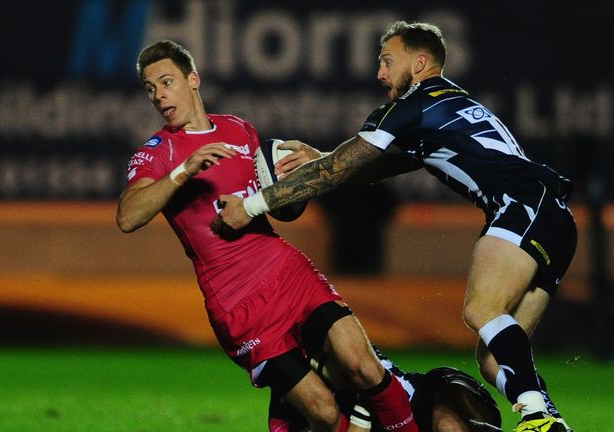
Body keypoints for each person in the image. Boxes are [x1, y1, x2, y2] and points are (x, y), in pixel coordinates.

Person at [214, 21, 577, 432]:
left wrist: (254, 204)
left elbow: (338, 169)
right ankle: (545, 415)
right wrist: (321, 155)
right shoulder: (447, 103)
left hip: (522, 202)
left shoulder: (413, 105)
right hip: (556, 217)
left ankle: (538, 417)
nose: (379, 73)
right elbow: (381, 164)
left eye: (387, 61)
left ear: (419, 62)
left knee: (481, 309)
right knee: (495, 359)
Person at [115, 39, 419, 432]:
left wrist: (297, 186)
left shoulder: (239, 130)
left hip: (288, 272)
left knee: (363, 364)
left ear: (193, 79)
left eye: (166, 82)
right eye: (150, 88)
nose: (158, 95)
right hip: (238, 304)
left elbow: (280, 203)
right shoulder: (158, 153)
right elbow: (127, 217)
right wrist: (183, 171)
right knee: (324, 414)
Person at [270, 344, 503, 432]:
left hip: (434, 393)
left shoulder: (344, 353)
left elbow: (374, 384)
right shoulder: (287, 419)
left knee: (447, 427)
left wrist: (364, 400)